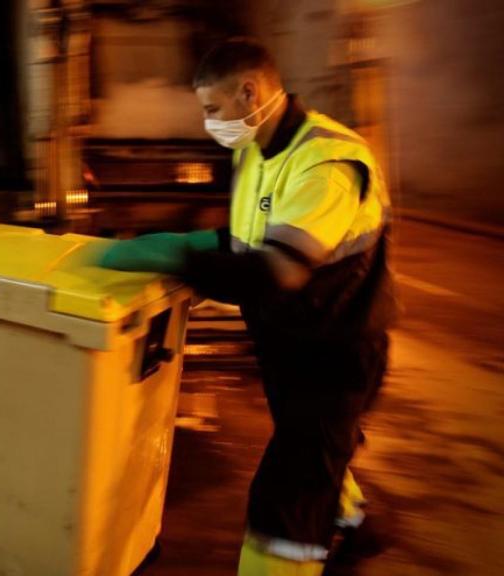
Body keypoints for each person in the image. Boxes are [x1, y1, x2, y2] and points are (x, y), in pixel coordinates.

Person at [99, 38, 395, 575]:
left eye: (213, 109)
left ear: (248, 91)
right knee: (311, 443)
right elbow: (245, 241)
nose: (211, 122)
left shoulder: (326, 160)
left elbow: (281, 269)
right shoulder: (255, 148)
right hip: (290, 342)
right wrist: (180, 241)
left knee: (287, 499)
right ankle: (355, 524)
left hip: (336, 350)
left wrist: (183, 262)